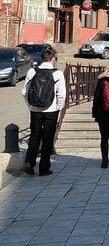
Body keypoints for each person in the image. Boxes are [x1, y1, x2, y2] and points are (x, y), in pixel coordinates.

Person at [22, 47, 66, 176]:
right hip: (51, 110)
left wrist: (30, 105)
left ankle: (29, 162)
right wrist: (59, 107)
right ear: (53, 59)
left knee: (34, 136)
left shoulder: (32, 72)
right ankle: (44, 167)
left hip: (35, 109)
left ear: (42, 58)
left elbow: (24, 91)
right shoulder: (57, 73)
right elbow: (61, 94)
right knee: (47, 139)